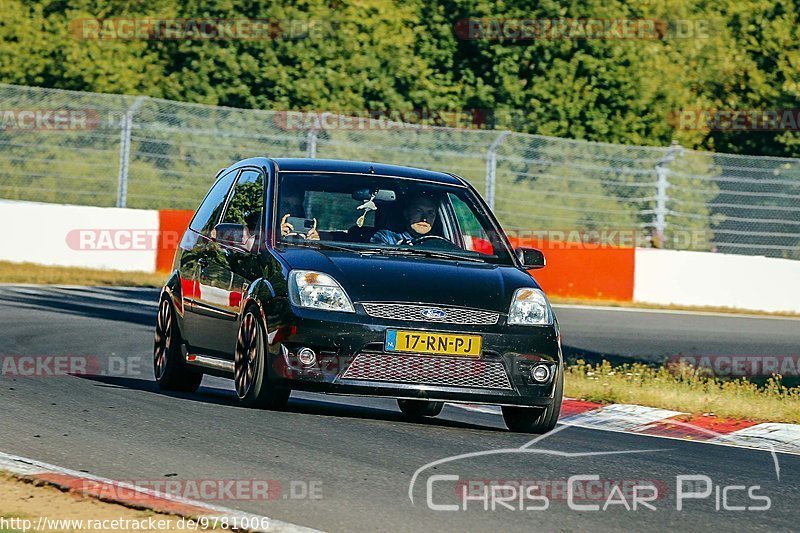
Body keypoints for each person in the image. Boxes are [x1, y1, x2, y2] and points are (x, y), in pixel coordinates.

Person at [371, 193, 438, 245]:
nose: (424, 219)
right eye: (418, 211)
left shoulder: (439, 245)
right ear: (406, 214)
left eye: (430, 213)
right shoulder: (385, 237)